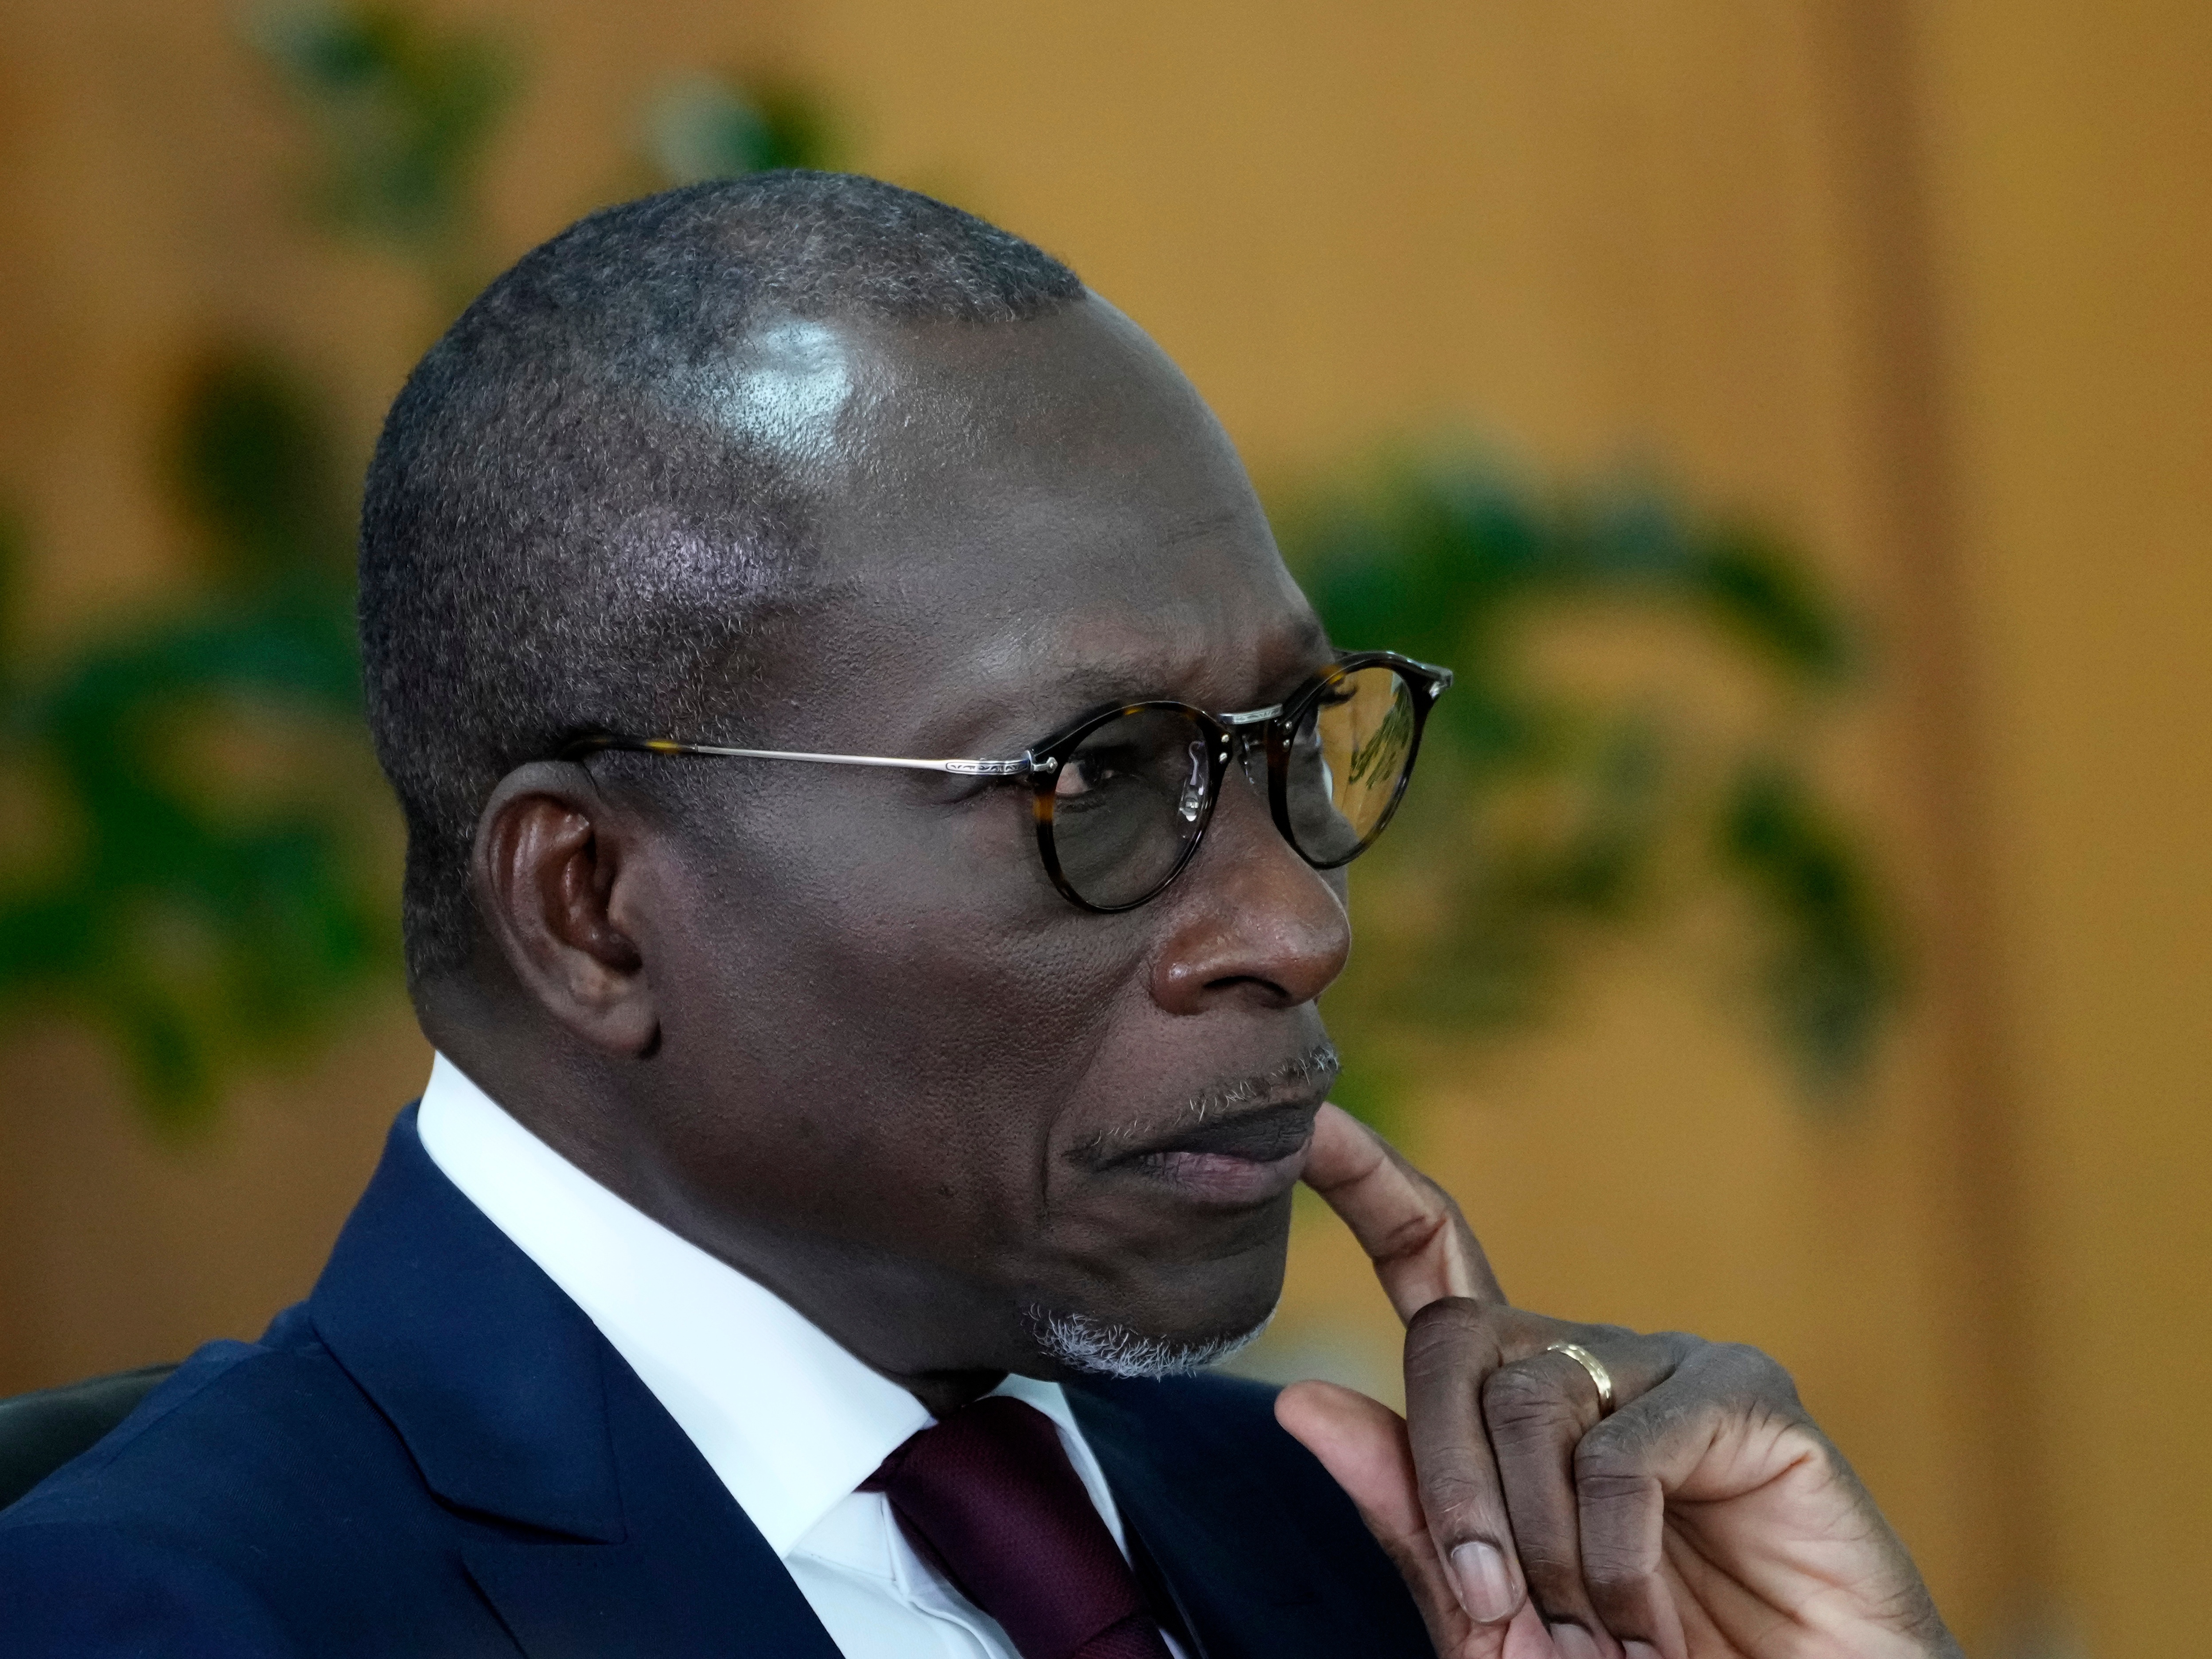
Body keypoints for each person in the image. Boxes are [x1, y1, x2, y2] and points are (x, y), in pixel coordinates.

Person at [0, 172, 1958, 1659]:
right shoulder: (163, 1615)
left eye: (1290, 744)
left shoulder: (1388, 1564)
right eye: (1096, 779)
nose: (1292, 921)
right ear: (589, 905)